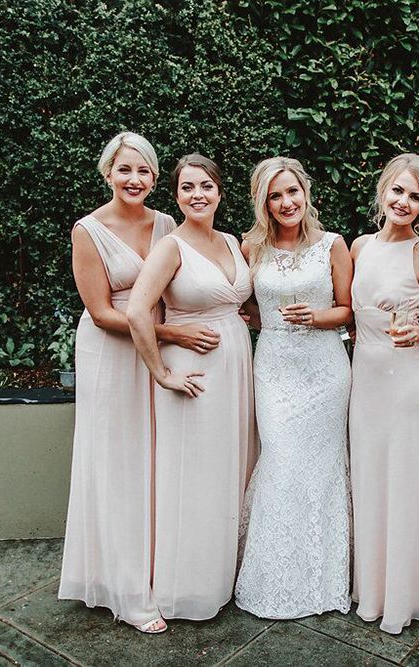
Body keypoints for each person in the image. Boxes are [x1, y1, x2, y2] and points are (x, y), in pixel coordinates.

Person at [59, 132, 210, 633]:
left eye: (144, 171)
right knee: (121, 462)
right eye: (125, 170)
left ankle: (160, 572)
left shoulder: (167, 223)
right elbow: (101, 313)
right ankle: (127, 590)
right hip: (113, 354)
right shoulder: (88, 230)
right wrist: (172, 333)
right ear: (108, 174)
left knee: (160, 463)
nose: (135, 180)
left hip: (161, 352)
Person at [127, 153, 257, 623]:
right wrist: (162, 372)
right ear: (176, 195)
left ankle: (224, 577)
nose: (197, 194)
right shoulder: (171, 247)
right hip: (194, 374)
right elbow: (138, 311)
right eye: (187, 188)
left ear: (220, 192)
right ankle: (186, 589)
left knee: (230, 469)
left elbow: (248, 301)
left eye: (205, 185)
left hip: (237, 368)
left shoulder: (232, 241)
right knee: (194, 477)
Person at [234, 157, 353, 619]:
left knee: (321, 467)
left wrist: (317, 317)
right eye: (275, 196)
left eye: (292, 192)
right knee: (280, 461)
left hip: (324, 368)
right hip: (275, 367)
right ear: (263, 203)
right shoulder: (251, 248)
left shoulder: (333, 245)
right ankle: (272, 576)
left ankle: (324, 580)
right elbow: (245, 303)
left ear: (306, 193)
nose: (286, 203)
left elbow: (348, 309)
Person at [349, 154, 419, 634]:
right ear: (383, 191)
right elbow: (344, 309)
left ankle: (408, 593)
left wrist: (418, 335)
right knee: (369, 478)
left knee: (407, 481)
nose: (404, 202)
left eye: (416, 196)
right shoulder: (359, 245)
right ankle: (372, 590)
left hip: (406, 381)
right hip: (363, 380)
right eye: (398, 191)